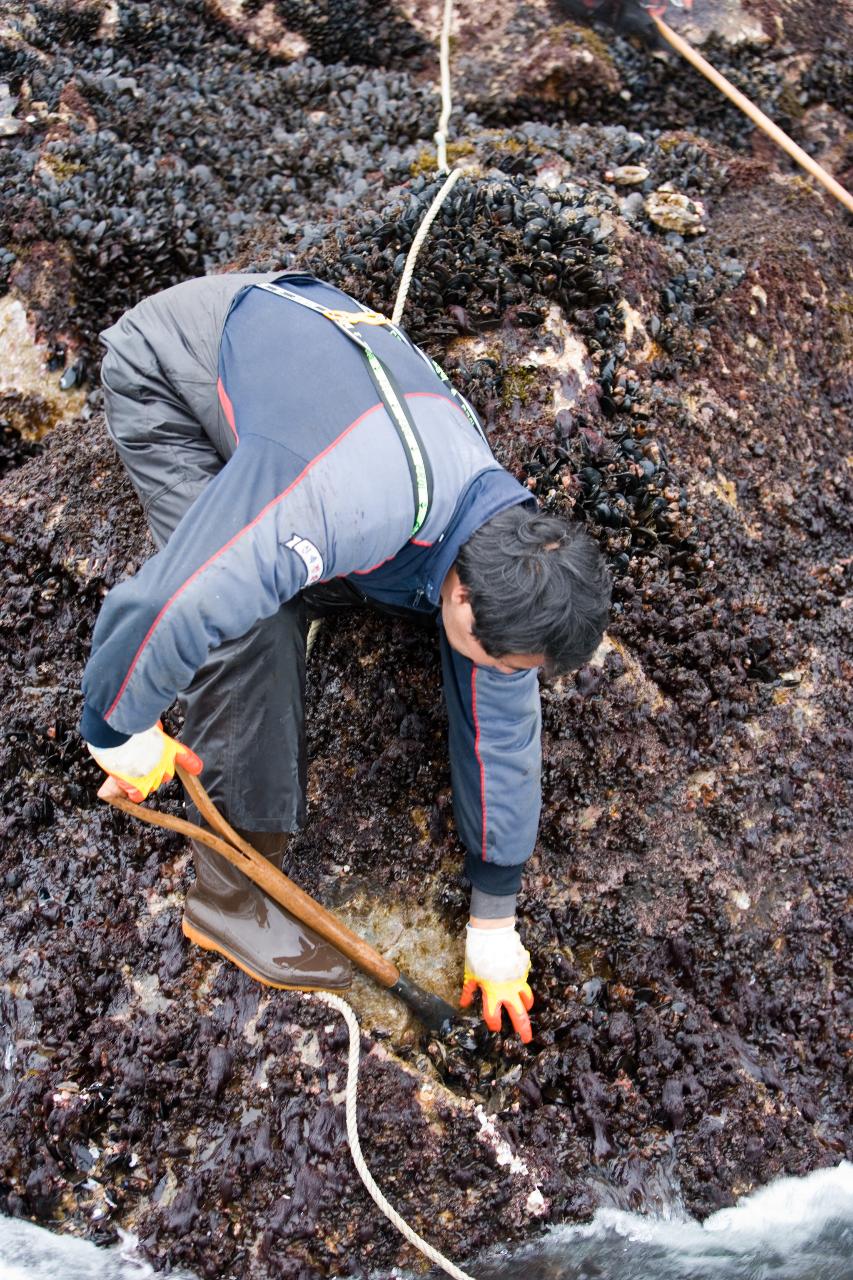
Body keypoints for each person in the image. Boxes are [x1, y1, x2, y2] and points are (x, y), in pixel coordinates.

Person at [81, 272, 611, 1043]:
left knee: (303, 576)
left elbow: (499, 723)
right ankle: (228, 900)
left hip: (316, 384)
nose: (506, 678)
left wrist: (494, 918)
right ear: (460, 598)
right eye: (501, 659)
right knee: (252, 617)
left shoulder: (502, 535)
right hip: (178, 372)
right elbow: (175, 602)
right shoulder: (339, 500)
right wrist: (117, 731)